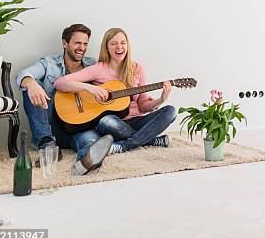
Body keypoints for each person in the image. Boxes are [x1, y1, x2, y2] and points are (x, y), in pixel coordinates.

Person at [54, 27, 176, 174]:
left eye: (123, 43)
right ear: (107, 47)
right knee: (106, 121)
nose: (119, 47)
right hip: (111, 123)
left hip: (135, 121)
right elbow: (60, 83)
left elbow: (143, 106)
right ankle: (149, 139)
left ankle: (122, 146)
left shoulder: (137, 68)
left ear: (127, 45)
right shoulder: (99, 69)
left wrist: (161, 99)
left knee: (170, 111)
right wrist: (90, 88)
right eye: (114, 44)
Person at [15, 24, 113, 171]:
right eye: (77, 43)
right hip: (50, 127)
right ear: (64, 43)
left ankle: (83, 165)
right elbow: (23, 74)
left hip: (79, 127)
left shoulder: (93, 66)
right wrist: (30, 82)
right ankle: (47, 145)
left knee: (91, 143)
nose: (82, 47)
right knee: (31, 87)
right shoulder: (49, 64)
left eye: (85, 43)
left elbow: (110, 87)